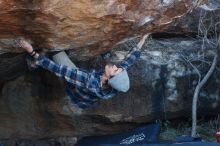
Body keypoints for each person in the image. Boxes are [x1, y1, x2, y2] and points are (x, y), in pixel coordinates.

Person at [20, 34, 150, 108]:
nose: (116, 66)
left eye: (115, 70)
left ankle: (34, 63)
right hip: (89, 95)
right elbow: (129, 61)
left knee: (56, 51)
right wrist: (143, 38)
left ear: (107, 79)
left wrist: (31, 51)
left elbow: (57, 69)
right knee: (108, 57)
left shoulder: (87, 80)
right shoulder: (115, 84)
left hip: (76, 88)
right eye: (119, 68)